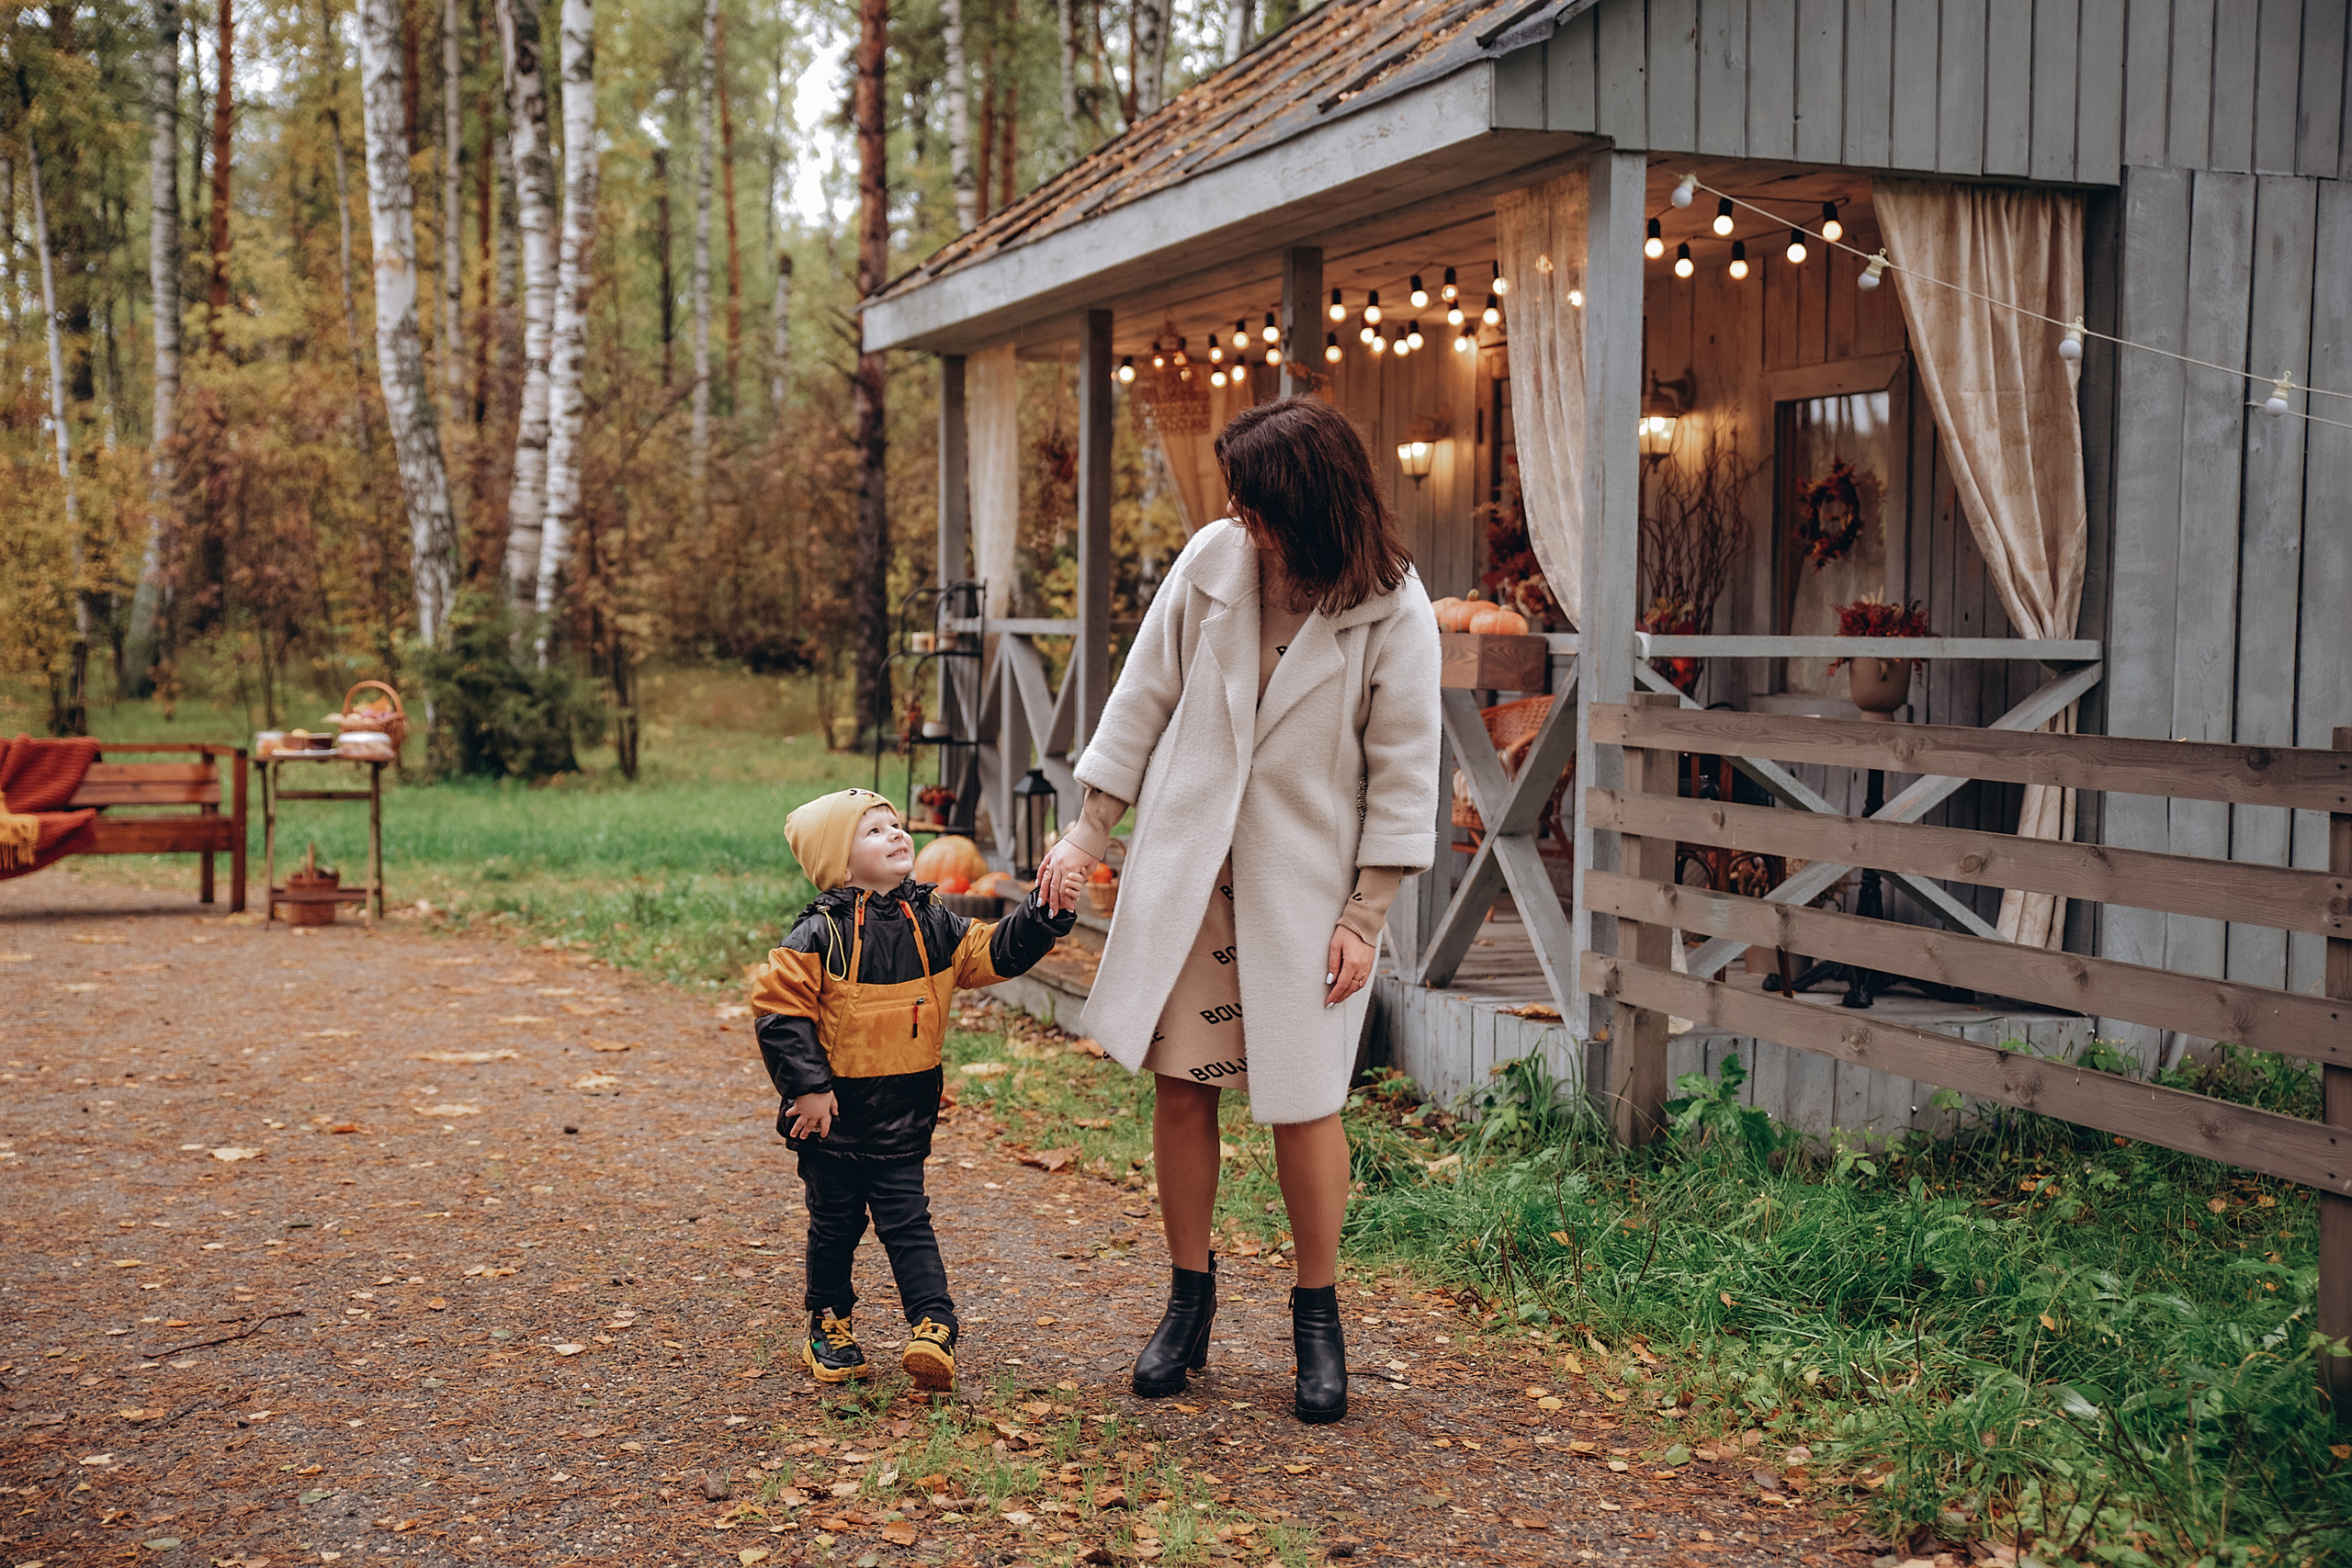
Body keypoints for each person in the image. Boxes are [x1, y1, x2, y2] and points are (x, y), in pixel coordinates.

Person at [1038, 397, 1442, 1424]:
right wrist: (1090, 833)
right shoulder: (1214, 561)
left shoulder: (1393, 607)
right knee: (1183, 1091)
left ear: (1302, 503)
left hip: (1304, 893)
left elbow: (1403, 772)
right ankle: (1187, 1303)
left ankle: (1317, 1315)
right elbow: (1141, 697)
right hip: (1187, 874)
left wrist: (1367, 916)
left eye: (1251, 497)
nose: (1233, 511)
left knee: (1305, 1107)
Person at [751, 788, 1076, 1390]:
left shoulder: (930, 921)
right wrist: (809, 1088)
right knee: (835, 1223)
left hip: (902, 1114)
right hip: (833, 1121)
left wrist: (1041, 914)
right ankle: (829, 1323)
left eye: (897, 824)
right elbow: (778, 1010)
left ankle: (934, 1323)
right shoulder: (818, 933)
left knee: (908, 1221)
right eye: (874, 830)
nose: (897, 834)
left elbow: (990, 953)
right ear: (839, 863)